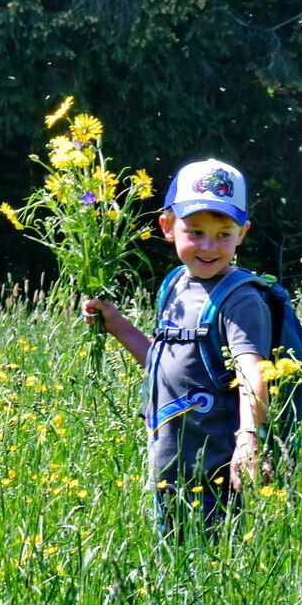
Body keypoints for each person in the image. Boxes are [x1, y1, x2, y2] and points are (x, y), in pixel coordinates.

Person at [84, 158, 270, 534]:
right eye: (195, 230)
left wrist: (249, 438)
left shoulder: (240, 300)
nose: (208, 246)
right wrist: (117, 325)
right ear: (167, 227)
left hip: (217, 481)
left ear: (242, 233)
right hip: (170, 473)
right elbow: (164, 360)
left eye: (223, 234)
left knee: (211, 575)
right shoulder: (175, 285)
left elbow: (254, 373)